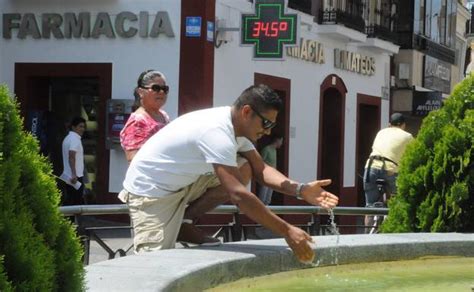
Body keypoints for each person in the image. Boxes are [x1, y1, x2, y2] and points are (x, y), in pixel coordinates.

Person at [120, 84, 339, 263]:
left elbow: (261, 170)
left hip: (185, 181)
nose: (269, 131)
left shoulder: (237, 127)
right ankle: (175, 227)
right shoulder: (217, 133)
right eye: (266, 122)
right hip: (152, 191)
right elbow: (238, 195)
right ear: (246, 112)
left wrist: (300, 190)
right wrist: (287, 230)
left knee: (244, 167)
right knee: (152, 265)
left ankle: (184, 221)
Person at [363, 113, 414, 229]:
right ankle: (392, 230)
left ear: (389, 124)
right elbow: (413, 155)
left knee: (369, 206)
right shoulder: (408, 136)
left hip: (371, 167)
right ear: (403, 125)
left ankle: (366, 235)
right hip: (391, 170)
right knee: (396, 203)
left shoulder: (380, 132)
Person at [120, 70, 171, 163]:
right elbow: (134, 160)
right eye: (156, 88)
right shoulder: (138, 121)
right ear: (140, 92)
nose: (161, 92)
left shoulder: (164, 116)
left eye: (165, 89)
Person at [60, 116, 86, 205]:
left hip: (68, 176)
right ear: (73, 127)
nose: (82, 129)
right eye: (80, 126)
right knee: (75, 203)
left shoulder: (67, 138)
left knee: (70, 201)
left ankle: (68, 219)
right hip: (75, 177)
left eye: (84, 127)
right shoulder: (75, 139)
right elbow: (71, 156)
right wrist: (74, 174)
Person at [257, 135, 283, 205]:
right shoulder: (266, 149)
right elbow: (261, 162)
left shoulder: (274, 150)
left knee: (268, 198)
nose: (281, 143)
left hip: (273, 176)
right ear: (277, 140)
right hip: (265, 176)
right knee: (262, 196)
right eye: (281, 141)